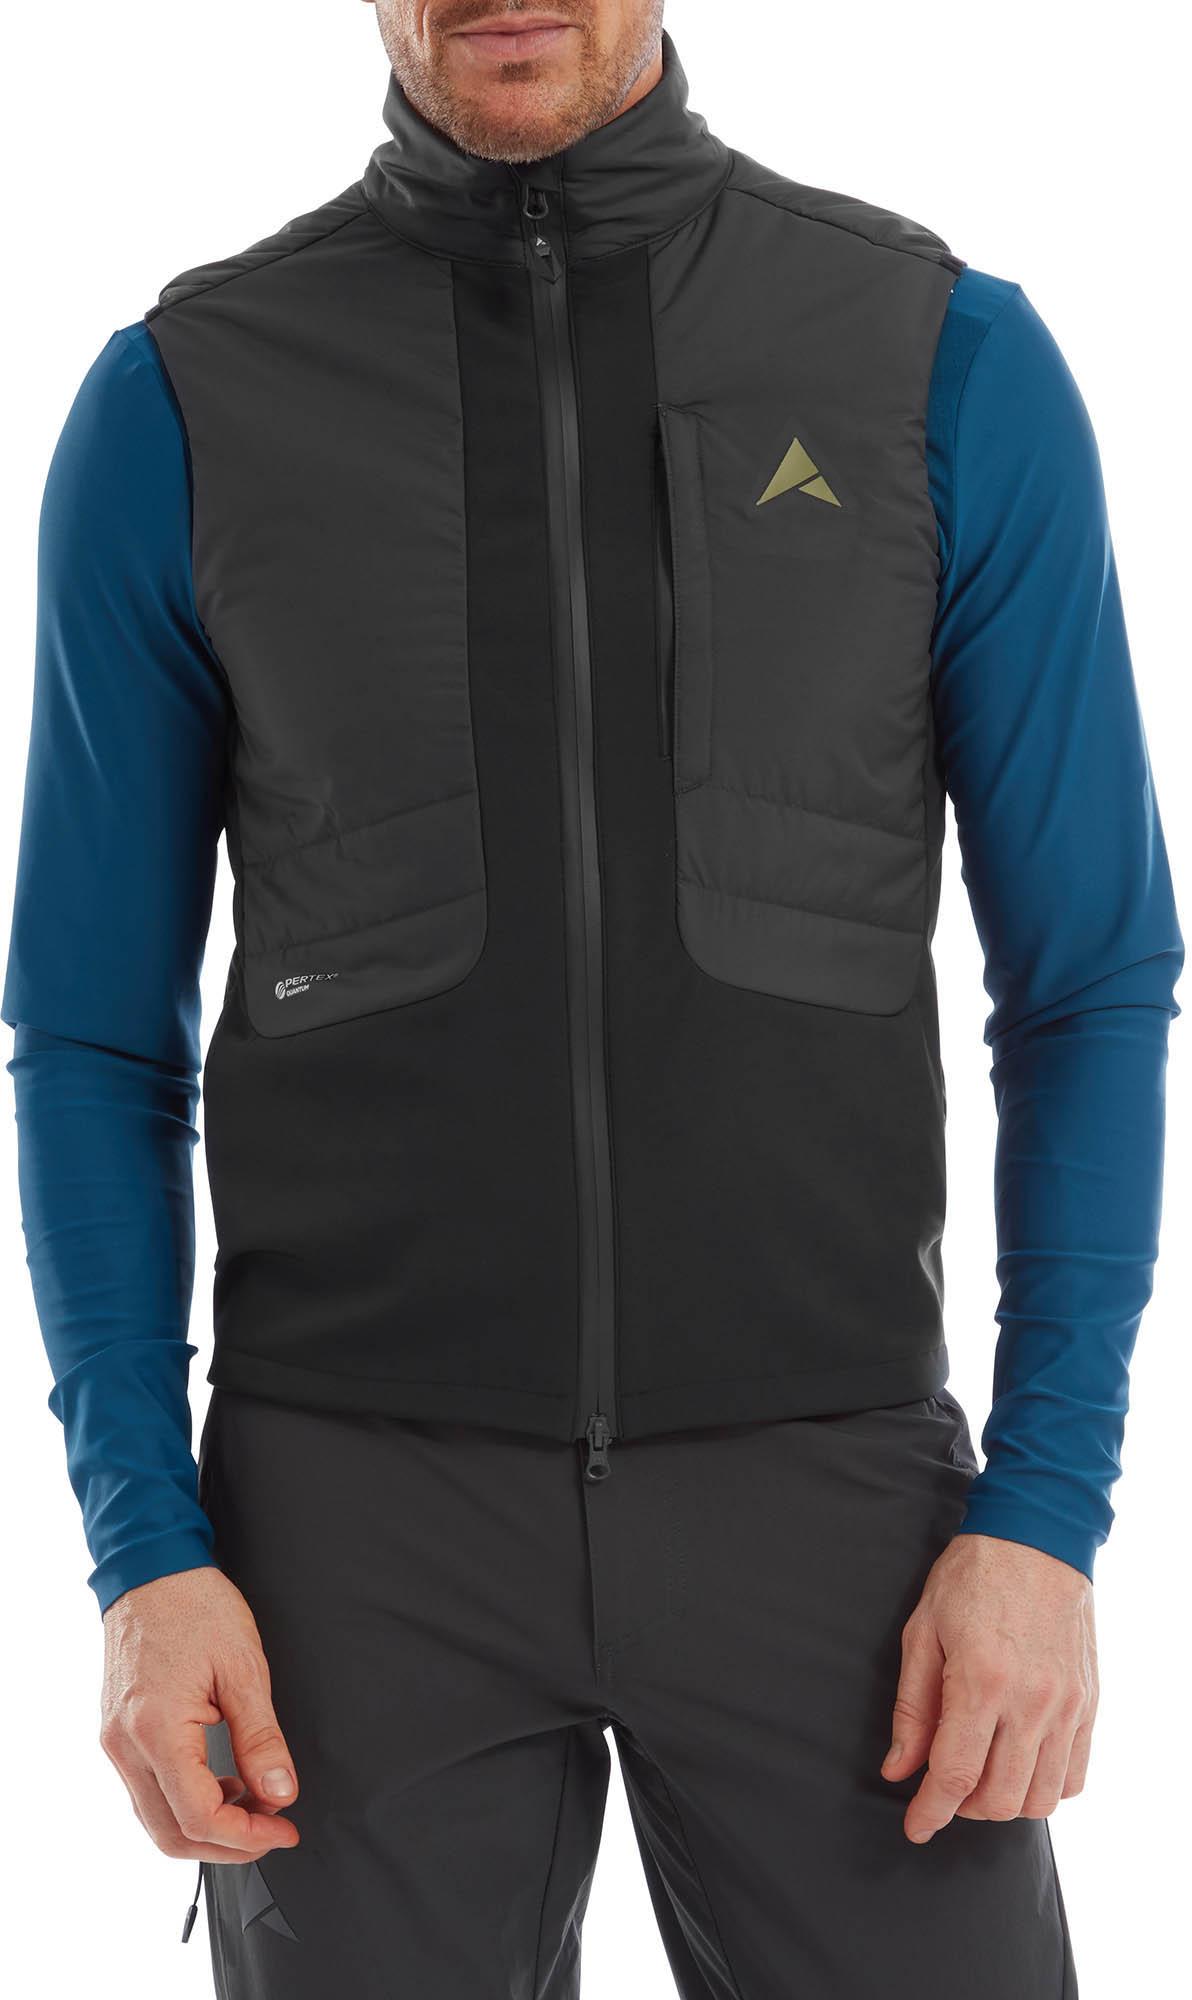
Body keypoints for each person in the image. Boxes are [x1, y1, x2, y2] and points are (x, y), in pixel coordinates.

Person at [4, 3, 1182, 1994]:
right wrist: (145, 1554)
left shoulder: (932, 356)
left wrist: (1047, 1515)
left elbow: (1090, 980)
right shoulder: (187, 397)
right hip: (346, 1543)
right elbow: (92, 1034)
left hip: (838, 1516)